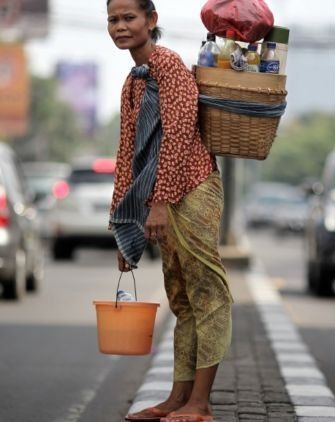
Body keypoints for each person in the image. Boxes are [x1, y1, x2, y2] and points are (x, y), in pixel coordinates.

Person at [106, 1, 233, 421]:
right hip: (158, 199)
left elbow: (179, 136)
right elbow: (127, 155)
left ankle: (200, 403)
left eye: (129, 18)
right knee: (181, 298)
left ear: (150, 21)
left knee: (207, 294)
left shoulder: (170, 67)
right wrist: (123, 226)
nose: (120, 27)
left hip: (192, 189)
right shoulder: (133, 81)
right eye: (113, 20)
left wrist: (160, 202)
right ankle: (177, 399)